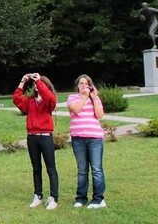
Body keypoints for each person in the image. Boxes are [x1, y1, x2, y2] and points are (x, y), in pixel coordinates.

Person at [13, 72, 59, 210]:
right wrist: (23, 81)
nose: (38, 86)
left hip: (45, 137)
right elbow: (16, 98)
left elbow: (51, 99)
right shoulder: (30, 102)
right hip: (32, 137)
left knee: (51, 169)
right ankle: (38, 195)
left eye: (42, 84)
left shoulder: (49, 101)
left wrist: (39, 81)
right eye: (37, 84)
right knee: (36, 169)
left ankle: (53, 198)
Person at [66, 74, 107, 209]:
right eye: (81, 83)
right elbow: (76, 109)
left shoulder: (95, 98)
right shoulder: (72, 98)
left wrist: (94, 98)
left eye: (86, 83)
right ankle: (81, 198)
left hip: (94, 138)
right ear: (77, 86)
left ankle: (98, 199)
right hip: (78, 138)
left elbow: (100, 115)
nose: (84, 85)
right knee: (82, 169)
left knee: (96, 169)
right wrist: (84, 96)